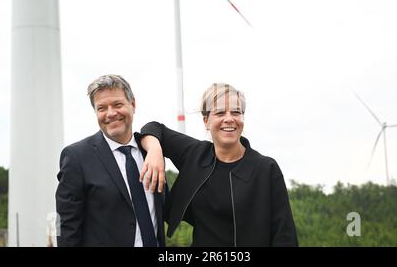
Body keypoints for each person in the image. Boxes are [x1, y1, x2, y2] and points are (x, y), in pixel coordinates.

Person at [140, 83, 298, 246]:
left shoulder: (266, 168)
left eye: (236, 112)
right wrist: (154, 149)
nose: (229, 118)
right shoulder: (196, 154)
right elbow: (152, 128)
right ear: (206, 121)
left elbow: (285, 235)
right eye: (220, 112)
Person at [55, 74, 165, 247]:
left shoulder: (151, 152)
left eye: (117, 104)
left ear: (133, 104)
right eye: (102, 108)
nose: (111, 113)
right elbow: (67, 227)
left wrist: (155, 146)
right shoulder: (76, 157)